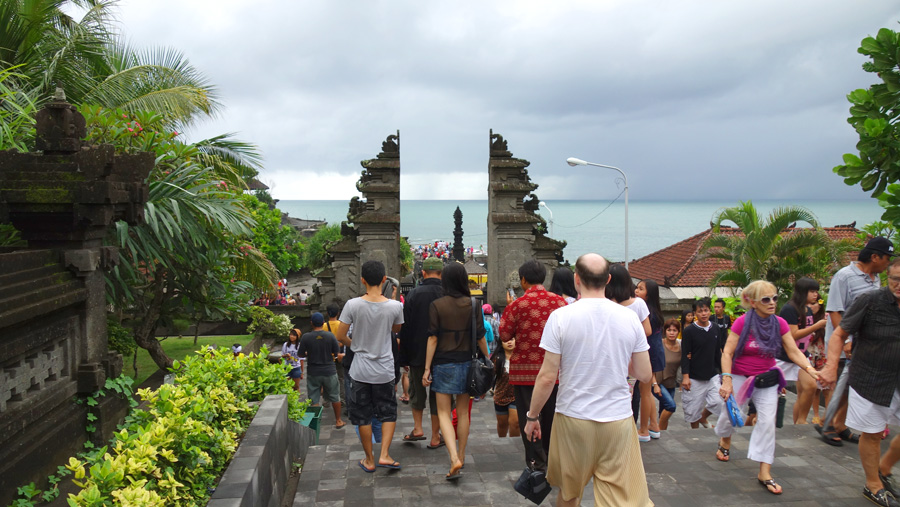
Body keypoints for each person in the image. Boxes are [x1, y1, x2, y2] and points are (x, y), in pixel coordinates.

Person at [523, 253, 653, 506]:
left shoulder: (561, 317)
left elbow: (548, 376)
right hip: (617, 419)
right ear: (608, 279)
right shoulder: (629, 318)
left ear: (576, 279)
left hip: (573, 418)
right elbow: (645, 373)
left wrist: (532, 416)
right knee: (621, 499)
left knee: (570, 493)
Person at [716, 280, 821, 495]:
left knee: (767, 422)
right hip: (739, 374)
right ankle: (725, 438)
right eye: (766, 299)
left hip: (766, 378)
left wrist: (810, 369)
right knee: (730, 416)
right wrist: (726, 379)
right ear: (753, 302)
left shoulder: (780, 323)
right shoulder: (742, 323)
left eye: (774, 298)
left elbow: (792, 351)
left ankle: (764, 470)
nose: (772, 303)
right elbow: (727, 352)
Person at [821, 257, 900, 507]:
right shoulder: (870, 301)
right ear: (888, 277)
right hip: (871, 377)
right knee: (873, 432)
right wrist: (831, 366)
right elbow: (839, 334)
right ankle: (872, 484)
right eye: (896, 279)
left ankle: (884, 469)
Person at [820, 237, 894, 446]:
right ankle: (828, 425)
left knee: (851, 386)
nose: (888, 263)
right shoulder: (844, 276)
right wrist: (846, 341)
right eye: (887, 258)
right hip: (843, 342)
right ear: (875, 257)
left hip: (864, 344)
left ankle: (840, 425)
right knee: (839, 384)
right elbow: (835, 310)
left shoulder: (875, 278)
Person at [334, 260, 404, 473]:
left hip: (360, 369)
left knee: (362, 415)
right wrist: (390, 301)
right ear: (384, 279)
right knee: (388, 413)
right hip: (384, 369)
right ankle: (384, 454)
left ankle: (369, 459)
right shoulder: (395, 306)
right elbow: (395, 328)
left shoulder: (352, 304)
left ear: (362, 279)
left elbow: (340, 335)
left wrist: (356, 346)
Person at [422, 262, 489, 480]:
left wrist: (426, 369)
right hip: (467, 364)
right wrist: (487, 360)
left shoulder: (437, 305)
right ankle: (461, 454)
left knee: (443, 412)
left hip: (443, 364)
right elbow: (480, 337)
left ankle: (453, 458)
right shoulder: (474, 304)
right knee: (462, 413)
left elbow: (432, 338)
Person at [499, 259, 567, 469]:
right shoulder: (560, 303)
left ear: (523, 280)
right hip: (554, 369)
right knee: (551, 415)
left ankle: (536, 460)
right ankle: (552, 455)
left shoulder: (517, 305)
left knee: (529, 416)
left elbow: (504, 333)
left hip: (525, 372)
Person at [396, 256, 445, 448]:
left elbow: (405, 328)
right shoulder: (447, 293)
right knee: (438, 395)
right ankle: (435, 435)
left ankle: (417, 428)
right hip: (442, 354)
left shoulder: (413, 295)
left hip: (417, 353)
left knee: (417, 392)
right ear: (441, 274)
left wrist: (404, 356)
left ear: (423, 273)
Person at [605, 265, 653, 438]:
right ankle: (629, 430)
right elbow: (647, 330)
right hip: (632, 357)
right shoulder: (638, 304)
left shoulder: (606, 303)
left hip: (610, 357)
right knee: (630, 395)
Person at [778, 277, 827, 424]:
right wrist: (816, 326)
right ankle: (753, 420)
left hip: (801, 355)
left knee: (810, 386)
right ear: (802, 292)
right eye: (812, 291)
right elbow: (792, 335)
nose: (815, 295)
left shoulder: (808, 310)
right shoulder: (789, 309)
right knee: (770, 392)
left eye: (816, 292)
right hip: (782, 356)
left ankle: (801, 421)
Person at [635, 279, 675, 438]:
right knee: (647, 391)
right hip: (655, 354)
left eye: (640, 289)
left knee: (646, 391)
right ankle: (654, 425)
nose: (636, 291)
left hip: (649, 354)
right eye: (637, 288)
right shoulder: (655, 311)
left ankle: (648, 427)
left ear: (649, 294)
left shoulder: (647, 312)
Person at [681, 298, 723, 429]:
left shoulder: (715, 328)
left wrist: (724, 374)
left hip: (712, 374)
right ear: (695, 314)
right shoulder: (689, 331)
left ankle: (703, 417)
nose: (703, 314)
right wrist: (685, 376)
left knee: (718, 401)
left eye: (706, 310)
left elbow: (718, 352)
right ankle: (695, 431)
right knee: (693, 409)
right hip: (694, 376)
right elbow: (685, 354)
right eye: (700, 311)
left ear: (710, 312)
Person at [299, 312, 345, 429]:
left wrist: (309, 352)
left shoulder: (306, 337)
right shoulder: (330, 336)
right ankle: (338, 420)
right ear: (323, 323)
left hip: (313, 371)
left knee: (314, 398)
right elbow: (336, 352)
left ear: (311, 323)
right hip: (329, 370)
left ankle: (315, 423)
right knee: (335, 396)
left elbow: (300, 354)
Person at [491, 332, 518, 438]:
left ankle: (514, 444)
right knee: (502, 424)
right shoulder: (497, 359)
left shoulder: (520, 358)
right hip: (500, 396)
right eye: (506, 340)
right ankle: (502, 442)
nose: (509, 342)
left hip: (517, 396)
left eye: (512, 339)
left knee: (515, 423)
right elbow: (489, 376)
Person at [323, 303, 346, 415]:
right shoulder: (341, 325)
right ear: (338, 313)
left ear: (327, 313)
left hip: (327, 357)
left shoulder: (323, 326)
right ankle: (342, 399)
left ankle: (327, 400)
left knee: (328, 379)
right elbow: (343, 340)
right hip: (339, 355)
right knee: (341, 378)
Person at [658, 319, 682, 430]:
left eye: (674, 330)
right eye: (669, 330)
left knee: (663, 411)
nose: (671, 333)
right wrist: (654, 384)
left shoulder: (681, 345)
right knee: (671, 406)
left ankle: (661, 433)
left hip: (671, 383)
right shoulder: (660, 343)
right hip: (658, 382)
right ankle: (657, 428)